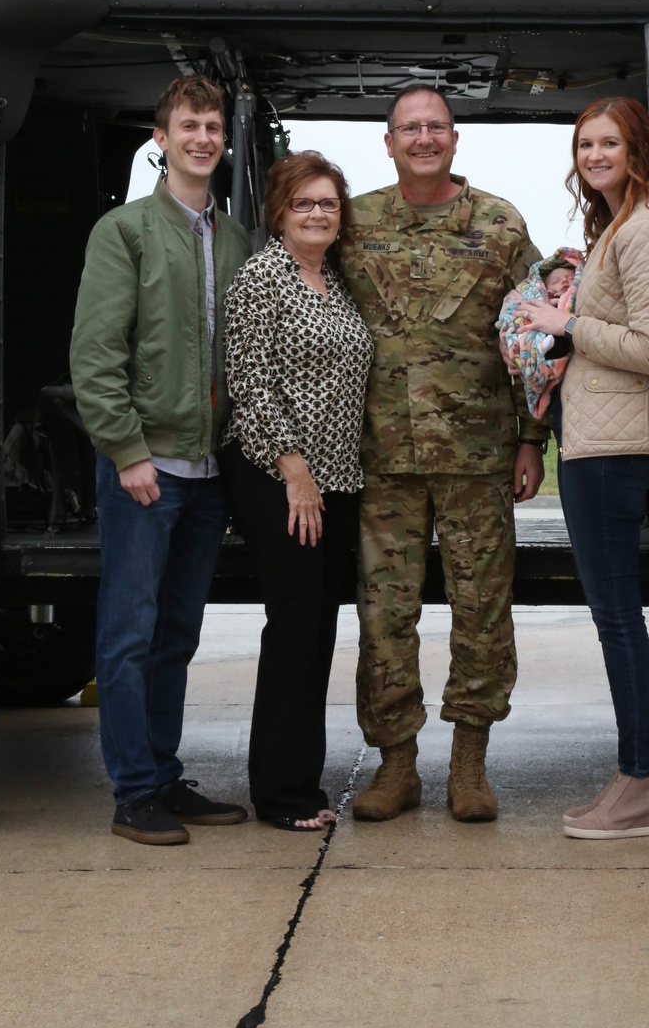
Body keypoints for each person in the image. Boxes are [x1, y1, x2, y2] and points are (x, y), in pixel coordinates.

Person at [339, 85, 548, 825]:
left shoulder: (499, 224)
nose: (423, 138)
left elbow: (528, 339)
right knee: (384, 614)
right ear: (388, 142)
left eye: (436, 127)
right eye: (409, 128)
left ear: (456, 140)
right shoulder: (353, 221)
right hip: (383, 457)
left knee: (481, 610)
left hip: (478, 455)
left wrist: (531, 439)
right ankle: (397, 765)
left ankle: (469, 765)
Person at [71, 75, 251, 845]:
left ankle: (163, 774)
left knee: (178, 634)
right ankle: (132, 792)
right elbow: (96, 351)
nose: (202, 137)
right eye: (188, 125)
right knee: (129, 632)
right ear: (161, 139)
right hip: (147, 470)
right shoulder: (126, 231)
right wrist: (127, 451)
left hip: (210, 475)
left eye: (212, 125)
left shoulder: (236, 237)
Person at [520, 97, 649, 838]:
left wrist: (566, 325)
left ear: (638, 148)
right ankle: (631, 776)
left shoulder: (648, 226)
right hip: (595, 439)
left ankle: (643, 782)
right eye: (585, 145)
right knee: (613, 618)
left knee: (618, 620)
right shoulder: (619, 221)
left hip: (614, 449)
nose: (593, 156)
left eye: (609, 143)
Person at [221, 152, 374, 832]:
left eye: (328, 204)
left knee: (318, 628)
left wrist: (326, 479)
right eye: (303, 203)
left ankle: (303, 783)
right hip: (276, 476)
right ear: (280, 214)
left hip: (338, 480)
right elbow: (250, 384)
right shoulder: (262, 278)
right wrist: (295, 472)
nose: (317, 213)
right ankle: (278, 793)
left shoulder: (336, 285)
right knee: (293, 626)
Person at [498, 248, 584, 417]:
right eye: (556, 281)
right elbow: (514, 313)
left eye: (570, 278)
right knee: (528, 333)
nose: (564, 282)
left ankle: (543, 349)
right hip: (540, 333)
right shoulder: (539, 297)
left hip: (566, 338)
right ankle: (537, 349)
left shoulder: (576, 296)